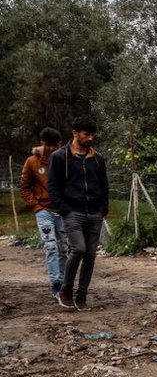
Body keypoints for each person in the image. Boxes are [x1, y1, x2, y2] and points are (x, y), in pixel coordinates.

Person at [47, 116, 109, 311]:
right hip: (72, 211)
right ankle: (65, 291)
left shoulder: (97, 159)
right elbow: (53, 186)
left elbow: (104, 185)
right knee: (79, 249)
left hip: (94, 213)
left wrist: (103, 208)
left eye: (92, 135)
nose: (90, 138)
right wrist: (63, 209)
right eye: (86, 134)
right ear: (75, 133)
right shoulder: (59, 157)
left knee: (91, 255)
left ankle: (81, 296)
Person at [19, 127, 67, 299]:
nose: (53, 149)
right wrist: (35, 206)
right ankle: (55, 283)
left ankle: (64, 282)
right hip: (44, 210)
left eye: (56, 145)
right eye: (49, 146)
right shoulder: (32, 162)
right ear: (43, 144)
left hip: (62, 210)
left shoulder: (64, 160)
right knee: (51, 246)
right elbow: (24, 187)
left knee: (64, 248)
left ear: (60, 144)